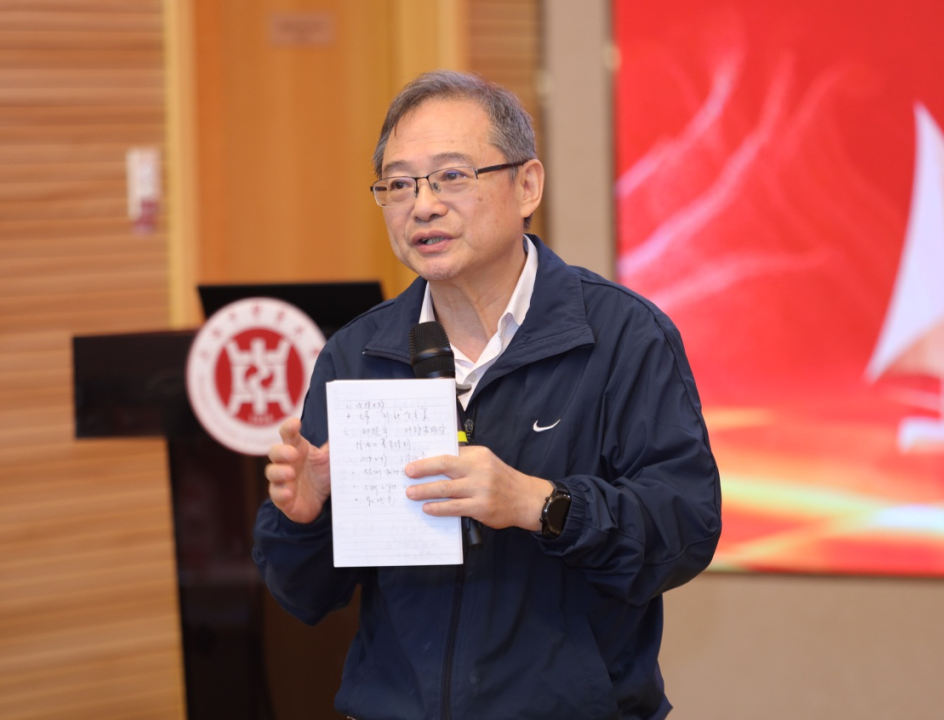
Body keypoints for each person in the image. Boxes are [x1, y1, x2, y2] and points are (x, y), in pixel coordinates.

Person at [253, 70, 721, 720]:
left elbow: (685, 531)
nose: (422, 206)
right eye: (399, 184)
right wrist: (305, 520)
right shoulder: (357, 355)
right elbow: (303, 596)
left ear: (527, 185)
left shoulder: (622, 335)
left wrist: (540, 504)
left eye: (451, 176)